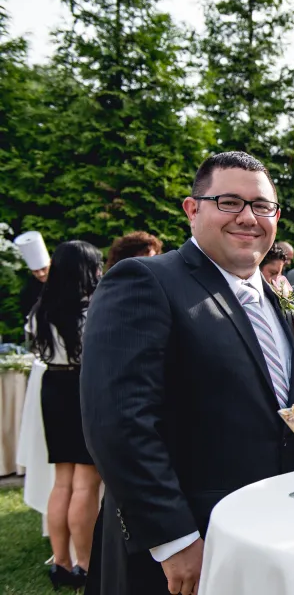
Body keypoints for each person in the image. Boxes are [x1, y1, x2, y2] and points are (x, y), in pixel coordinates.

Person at [81, 152, 294, 595]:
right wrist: (174, 540)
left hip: (265, 530)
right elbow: (119, 422)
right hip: (181, 549)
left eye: (262, 206)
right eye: (229, 202)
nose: (248, 217)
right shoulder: (145, 281)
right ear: (192, 208)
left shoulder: (277, 303)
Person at [26, 240, 104, 591]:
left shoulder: (40, 310)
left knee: (62, 482)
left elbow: (34, 348)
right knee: (86, 483)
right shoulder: (93, 310)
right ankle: (84, 565)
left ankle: (60, 562)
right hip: (81, 389)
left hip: (52, 387)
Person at [15, 230, 51, 322]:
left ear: (50, 264)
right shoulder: (28, 291)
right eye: (35, 271)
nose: (41, 274)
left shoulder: (66, 280)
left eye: (43, 269)